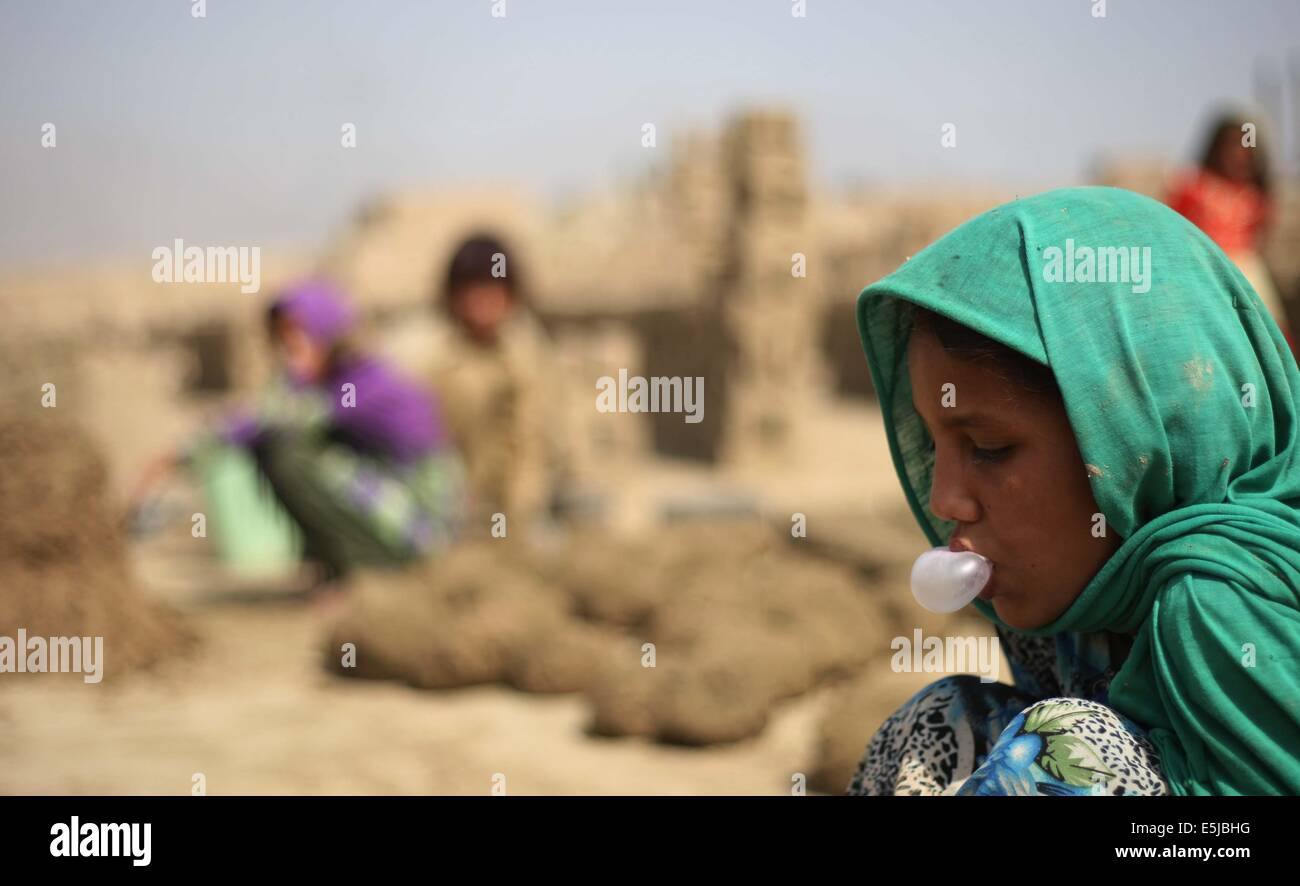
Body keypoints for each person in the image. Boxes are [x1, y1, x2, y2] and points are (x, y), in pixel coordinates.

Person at [847, 187, 1300, 796]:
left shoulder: (1216, 608)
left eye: (988, 448)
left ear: (1132, 439)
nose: (944, 499)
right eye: (933, 449)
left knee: (1056, 755)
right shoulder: (1074, 596)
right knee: (936, 731)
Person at [135, 280, 463, 579]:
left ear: (328, 331)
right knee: (278, 451)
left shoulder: (363, 382)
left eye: (299, 333)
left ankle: (365, 573)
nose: (289, 346)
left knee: (290, 456)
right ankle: (342, 568)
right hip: (396, 509)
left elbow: (271, 419)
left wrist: (177, 456)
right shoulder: (327, 383)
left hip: (422, 526)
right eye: (283, 337)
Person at [429, 233, 558, 536]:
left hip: (526, 510)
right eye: (471, 290)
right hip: (458, 512)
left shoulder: (530, 359)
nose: (482, 301)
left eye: (492, 289)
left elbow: (536, 443)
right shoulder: (436, 365)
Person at [1167, 111, 1292, 349]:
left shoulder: (1255, 196)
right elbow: (1174, 226)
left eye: (1244, 147)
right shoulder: (1194, 187)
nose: (1237, 154)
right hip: (1203, 268)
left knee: (1268, 335)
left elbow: (1260, 236)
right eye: (1230, 146)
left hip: (1248, 272)